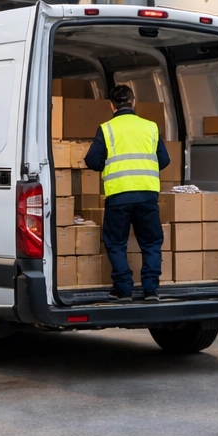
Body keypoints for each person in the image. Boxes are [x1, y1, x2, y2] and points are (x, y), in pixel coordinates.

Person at [84, 84, 170, 302]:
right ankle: (151, 290)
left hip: (119, 196)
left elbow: (92, 161)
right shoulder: (151, 127)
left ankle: (123, 289)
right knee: (151, 243)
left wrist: (107, 164)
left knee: (115, 243)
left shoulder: (106, 129)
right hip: (147, 196)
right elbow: (165, 160)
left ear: (112, 105)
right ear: (133, 102)